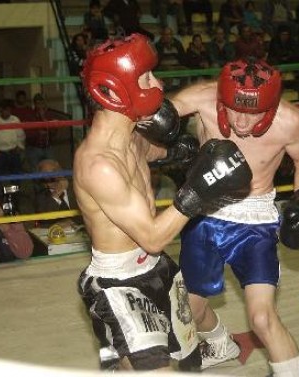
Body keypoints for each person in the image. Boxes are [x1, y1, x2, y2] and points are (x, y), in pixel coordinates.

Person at [73, 34, 252, 372]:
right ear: (112, 90)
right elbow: (153, 236)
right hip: (119, 285)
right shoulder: (100, 165)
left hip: (155, 268)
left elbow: (157, 152)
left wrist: (189, 153)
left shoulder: (132, 136)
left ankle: (120, 360)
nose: (157, 83)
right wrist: (199, 187)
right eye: (146, 77)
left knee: (188, 363)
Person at [171, 58, 299, 375]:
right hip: (205, 212)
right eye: (234, 109)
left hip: (257, 220)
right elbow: (151, 116)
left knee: (262, 319)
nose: (241, 122)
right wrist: (168, 141)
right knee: (189, 313)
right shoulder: (202, 98)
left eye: (253, 113)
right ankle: (223, 344)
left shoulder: (291, 120)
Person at [0, 99, 25, 177]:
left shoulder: (15, 119)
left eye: (8, 109)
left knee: (15, 177)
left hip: (13, 152)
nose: (7, 112)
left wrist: (20, 146)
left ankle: (13, 190)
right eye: (5, 109)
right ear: (0, 109)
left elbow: (20, 134)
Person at [35, 159, 77, 228]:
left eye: (54, 171)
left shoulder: (76, 187)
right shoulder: (41, 197)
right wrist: (57, 193)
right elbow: (44, 222)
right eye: (47, 174)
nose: (54, 176)